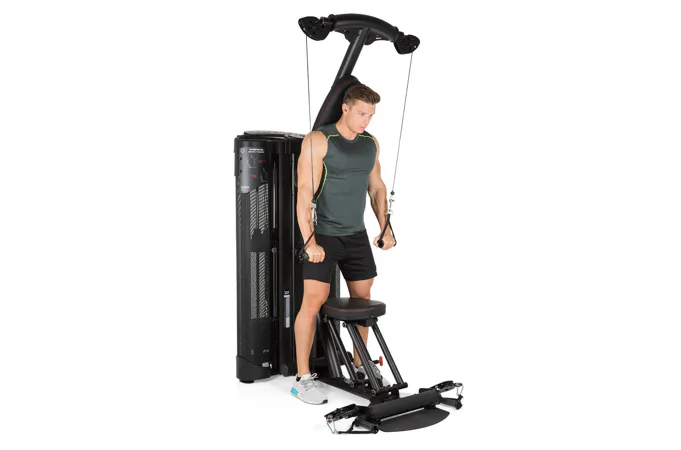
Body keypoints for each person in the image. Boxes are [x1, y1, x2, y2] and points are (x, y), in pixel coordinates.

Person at [290, 84, 396, 405]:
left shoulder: (369, 143)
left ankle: (361, 367)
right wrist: (309, 241)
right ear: (345, 108)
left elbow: (377, 189)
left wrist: (386, 228)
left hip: (356, 236)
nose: (367, 120)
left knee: (362, 301)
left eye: (371, 115)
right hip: (324, 235)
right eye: (362, 113)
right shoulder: (319, 140)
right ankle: (302, 378)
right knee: (313, 302)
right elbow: (304, 192)